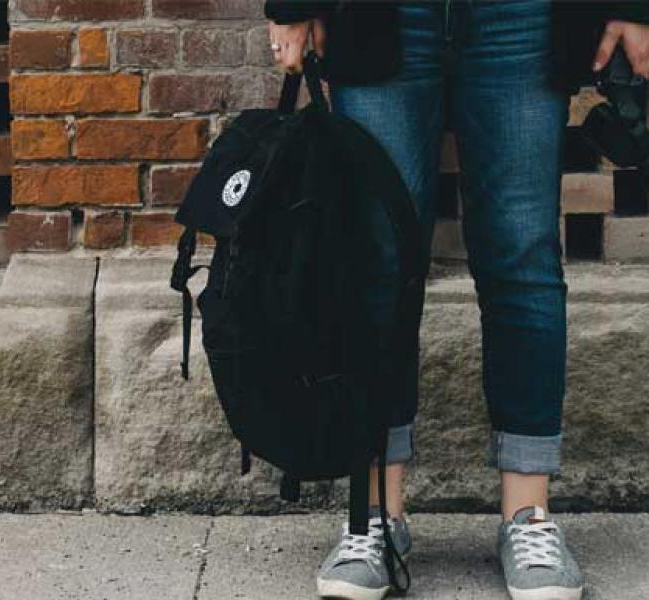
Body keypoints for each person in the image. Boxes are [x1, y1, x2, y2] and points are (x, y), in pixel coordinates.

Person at [265, 1, 649, 600]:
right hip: (382, 13)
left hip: (522, 14)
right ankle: (375, 518)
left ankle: (529, 516)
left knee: (524, 255)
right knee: (380, 262)